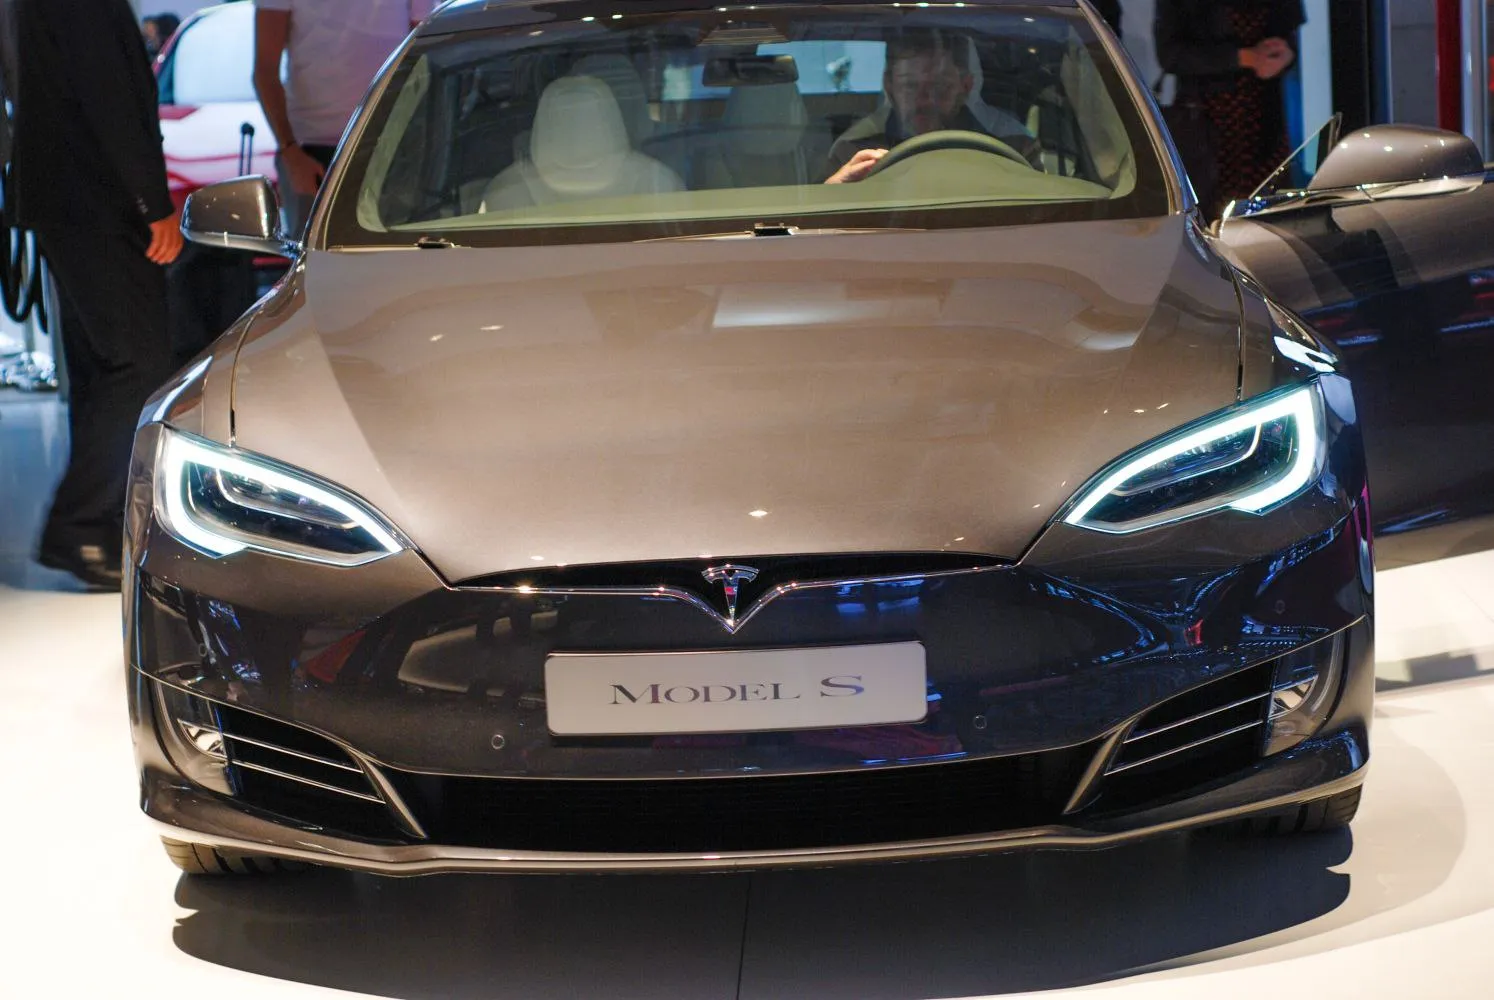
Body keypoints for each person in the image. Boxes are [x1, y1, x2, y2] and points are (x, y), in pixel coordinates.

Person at [11, 0, 184, 590]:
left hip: (72, 198)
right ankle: (80, 525)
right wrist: (152, 203)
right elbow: (107, 96)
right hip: (96, 201)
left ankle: (99, 525)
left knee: (103, 363)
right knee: (137, 362)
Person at [253, 0, 434, 238]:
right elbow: (265, 70)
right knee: (313, 253)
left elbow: (425, 50)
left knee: (399, 251)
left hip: (394, 145)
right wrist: (291, 152)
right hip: (311, 153)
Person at [825, 29, 1035, 184]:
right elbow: (818, 222)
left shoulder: (1014, 146)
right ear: (889, 86)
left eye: (939, 87)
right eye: (910, 86)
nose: (924, 100)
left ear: (966, 87)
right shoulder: (853, 150)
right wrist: (834, 191)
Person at [1155, 0, 1304, 217]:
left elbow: (1288, 36)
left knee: (1268, 211)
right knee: (1211, 212)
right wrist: (1244, 57)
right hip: (1207, 122)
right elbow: (1171, 55)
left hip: (1264, 120)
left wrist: (1286, 55)